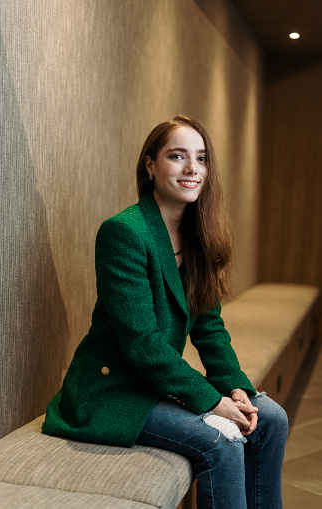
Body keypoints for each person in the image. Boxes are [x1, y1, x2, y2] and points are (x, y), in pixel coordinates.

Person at [43, 115, 288, 508]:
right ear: (151, 166)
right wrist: (212, 402)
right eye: (178, 156)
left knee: (271, 418)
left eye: (202, 158)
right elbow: (142, 343)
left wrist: (234, 387)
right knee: (221, 438)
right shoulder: (124, 232)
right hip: (112, 390)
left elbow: (209, 328)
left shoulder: (199, 235)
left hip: (154, 384)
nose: (193, 169)